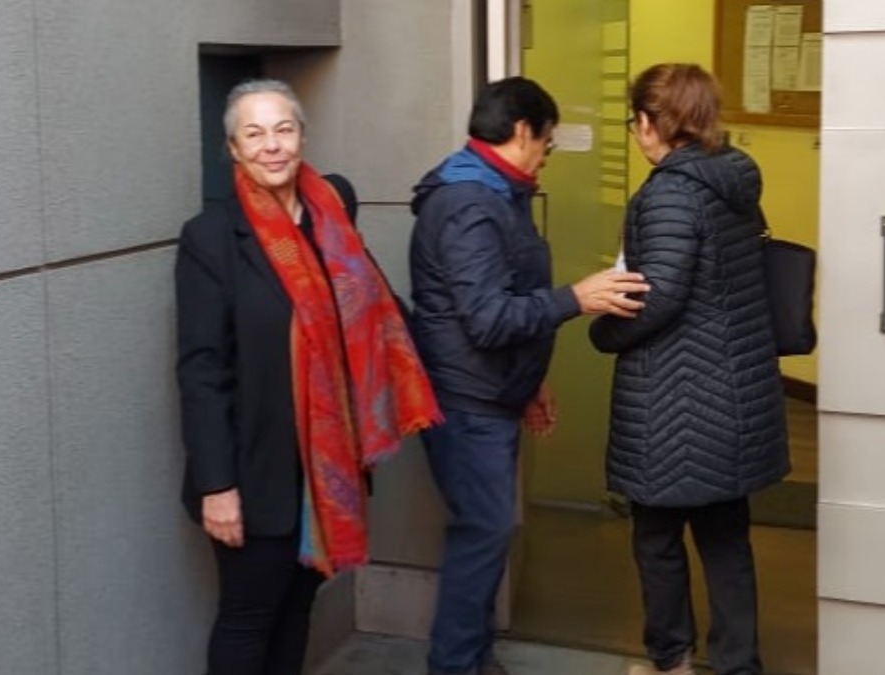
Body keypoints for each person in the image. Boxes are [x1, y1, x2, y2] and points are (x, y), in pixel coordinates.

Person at [176, 79, 442, 675]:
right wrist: (218, 485)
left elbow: (377, 311)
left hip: (330, 465)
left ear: (301, 136)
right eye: (255, 133)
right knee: (249, 618)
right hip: (255, 471)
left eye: (284, 129)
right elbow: (201, 371)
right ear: (233, 150)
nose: (272, 145)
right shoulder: (213, 239)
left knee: (298, 612)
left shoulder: (332, 217)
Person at [408, 76, 651, 675]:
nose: (547, 155)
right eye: (547, 142)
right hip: (467, 402)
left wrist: (528, 383)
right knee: (484, 535)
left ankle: (470, 661)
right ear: (522, 132)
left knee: (487, 533)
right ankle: (456, 666)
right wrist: (578, 297)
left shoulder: (496, 190)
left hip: (489, 393)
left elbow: (503, 299)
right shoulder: (470, 202)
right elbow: (488, 318)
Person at [588, 64, 790, 675]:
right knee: (727, 542)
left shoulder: (670, 191)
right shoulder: (731, 178)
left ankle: (670, 661)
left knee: (657, 540)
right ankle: (737, 664)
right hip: (732, 395)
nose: (635, 133)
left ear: (652, 123)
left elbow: (664, 294)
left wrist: (603, 330)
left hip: (674, 401)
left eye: (635, 121)